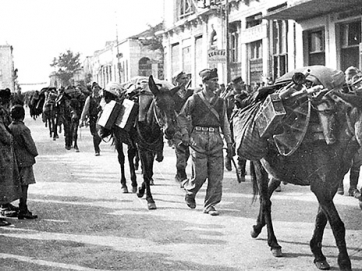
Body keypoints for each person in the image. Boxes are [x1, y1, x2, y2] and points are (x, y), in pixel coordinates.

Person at [178, 68, 233, 216]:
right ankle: (190, 192)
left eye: (217, 80)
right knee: (200, 175)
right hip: (198, 140)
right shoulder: (193, 99)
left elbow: (225, 123)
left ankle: (210, 205)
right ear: (205, 82)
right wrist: (185, 134)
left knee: (216, 176)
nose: (217, 83)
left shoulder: (221, 102)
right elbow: (182, 117)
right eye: (214, 80)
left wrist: (229, 143)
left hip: (215, 139)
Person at [8, 105, 38, 219]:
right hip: (25, 160)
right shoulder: (24, 129)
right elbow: (30, 145)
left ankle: (21, 207)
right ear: (23, 115)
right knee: (25, 185)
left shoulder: (10, 127)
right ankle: (23, 208)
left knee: (19, 184)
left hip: (14, 159)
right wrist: (34, 154)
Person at [338, 66, 362, 197]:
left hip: (355, 132)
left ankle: (352, 188)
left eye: (355, 78)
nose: (353, 81)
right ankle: (339, 185)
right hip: (345, 131)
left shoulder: (359, 93)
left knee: (357, 162)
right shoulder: (342, 90)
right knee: (342, 160)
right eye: (349, 78)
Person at [0, 88, 22, 226]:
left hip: (3, 150)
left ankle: (5, 204)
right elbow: (2, 131)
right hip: (2, 149)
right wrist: (11, 138)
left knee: (5, 179)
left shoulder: (3, 110)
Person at [171, 71, 194, 185]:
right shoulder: (172, 94)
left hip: (189, 124)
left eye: (186, 78)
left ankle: (180, 172)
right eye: (183, 78)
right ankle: (182, 175)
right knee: (180, 149)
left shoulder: (190, 93)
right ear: (177, 80)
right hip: (177, 125)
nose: (185, 80)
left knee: (187, 152)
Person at [79, 82, 103, 156]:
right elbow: (85, 110)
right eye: (94, 87)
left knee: (101, 135)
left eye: (97, 87)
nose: (96, 89)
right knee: (94, 134)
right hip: (93, 118)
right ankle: (97, 150)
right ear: (92, 89)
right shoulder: (89, 98)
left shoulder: (102, 98)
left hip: (101, 119)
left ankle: (97, 146)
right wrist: (81, 120)